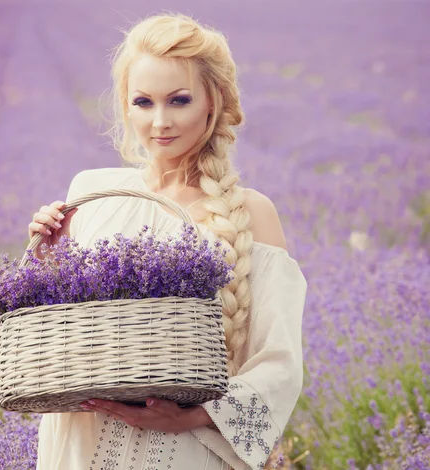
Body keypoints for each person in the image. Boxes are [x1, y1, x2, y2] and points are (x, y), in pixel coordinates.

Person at [27, 12, 307, 470]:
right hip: (81, 444)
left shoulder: (252, 213)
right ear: (125, 105)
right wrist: (47, 257)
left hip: (183, 451)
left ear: (213, 102)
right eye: (143, 102)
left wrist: (192, 415)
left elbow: (280, 364)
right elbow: (62, 340)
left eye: (179, 100)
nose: (160, 122)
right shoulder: (91, 193)